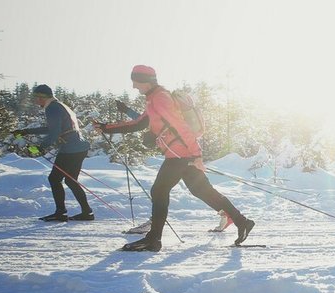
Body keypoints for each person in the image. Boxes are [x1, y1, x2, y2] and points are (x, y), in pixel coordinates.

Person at [94, 65, 254, 250]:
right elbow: (138, 123)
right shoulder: (153, 99)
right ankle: (242, 222)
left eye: (135, 82)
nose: (134, 87)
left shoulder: (161, 98)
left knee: (159, 191)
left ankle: (154, 239)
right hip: (180, 154)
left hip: (181, 154)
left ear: (145, 81)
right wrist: (107, 127)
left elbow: (181, 127)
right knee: (202, 191)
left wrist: (196, 155)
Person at [13, 84, 94, 221]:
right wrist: (27, 131)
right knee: (70, 180)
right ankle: (87, 212)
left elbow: (54, 132)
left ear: (42, 97)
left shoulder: (52, 108)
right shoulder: (59, 105)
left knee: (54, 179)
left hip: (70, 149)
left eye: (36, 97)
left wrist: (41, 147)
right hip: (79, 147)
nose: (35, 100)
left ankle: (61, 212)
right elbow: (53, 128)